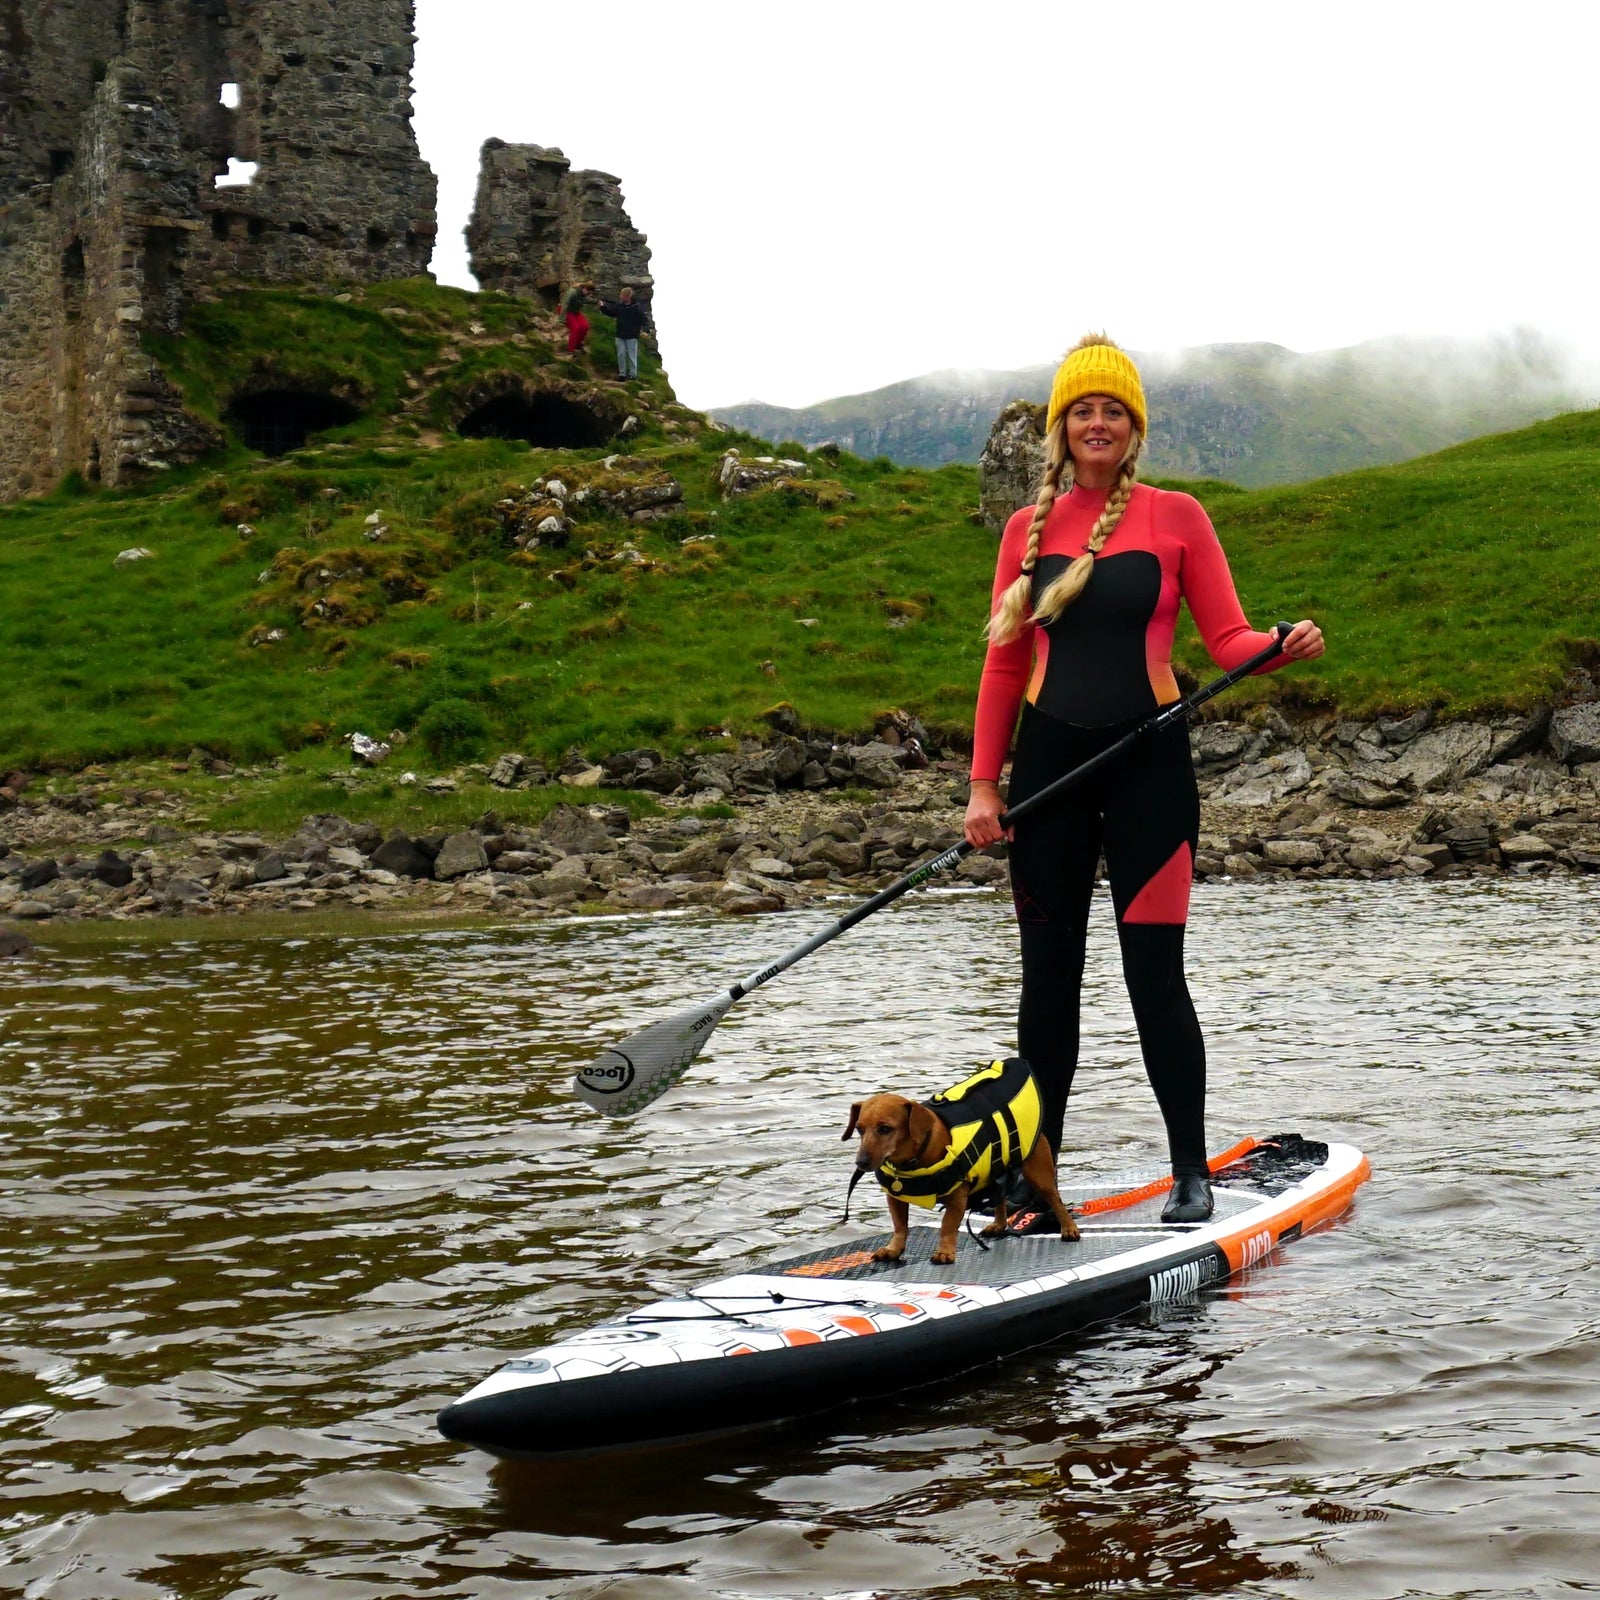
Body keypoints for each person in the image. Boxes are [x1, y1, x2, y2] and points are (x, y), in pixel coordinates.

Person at [964, 333, 1324, 1223]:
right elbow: (1004, 670)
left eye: (1112, 411)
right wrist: (983, 787)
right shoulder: (1027, 530)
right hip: (1048, 773)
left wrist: (1280, 646)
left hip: (1149, 775)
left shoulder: (1178, 516)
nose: (1097, 423)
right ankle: (1030, 1181)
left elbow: (1230, 642)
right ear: (1061, 428)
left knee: (1154, 978)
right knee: (1046, 983)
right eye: (1082, 410)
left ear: (1134, 430)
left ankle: (1191, 1171)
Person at [600, 285, 651, 379]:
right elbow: (611, 313)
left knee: (632, 356)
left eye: (622, 296)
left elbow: (644, 320)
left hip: (632, 336)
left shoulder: (637, 308)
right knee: (621, 355)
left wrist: (646, 330)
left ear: (628, 297)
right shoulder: (619, 306)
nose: (620, 297)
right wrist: (603, 307)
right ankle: (622, 375)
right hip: (620, 334)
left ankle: (633, 375)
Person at [561, 281, 593, 354]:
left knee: (585, 326)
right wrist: (562, 318)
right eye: (588, 291)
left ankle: (577, 344)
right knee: (575, 328)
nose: (588, 293)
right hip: (568, 312)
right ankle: (570, 350)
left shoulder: (582, 294)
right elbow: (565, 304)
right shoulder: (572, 292)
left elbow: (586, 300)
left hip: (576, 312)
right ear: (584, 288)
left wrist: (597, 301)